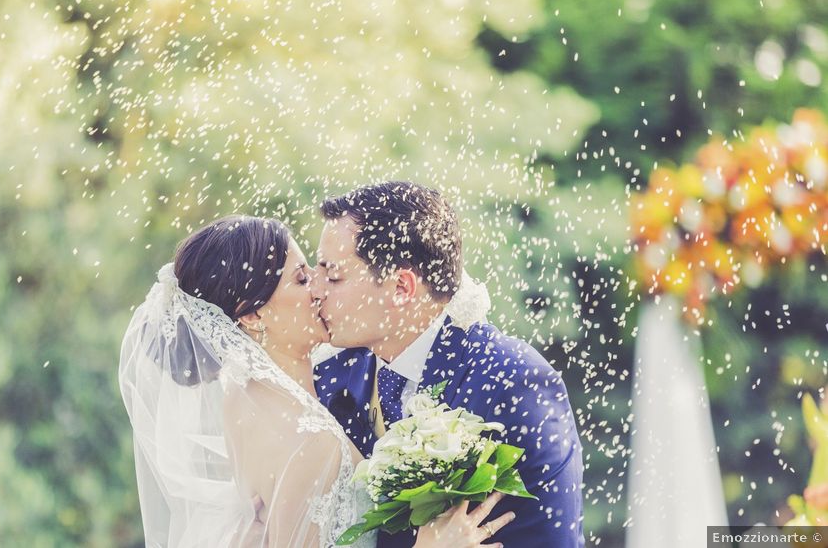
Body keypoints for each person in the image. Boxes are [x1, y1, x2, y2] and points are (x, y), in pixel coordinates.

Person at [118, 215, 515, 547]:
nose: (321, 289)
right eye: (302, 280)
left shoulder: (241, 394)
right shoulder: (311, 443)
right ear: (252, 316)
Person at [311, 181, 585, 547]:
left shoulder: (512, 381)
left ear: (401, 288)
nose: (314, 288)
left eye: (333, 276)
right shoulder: (331, 377)